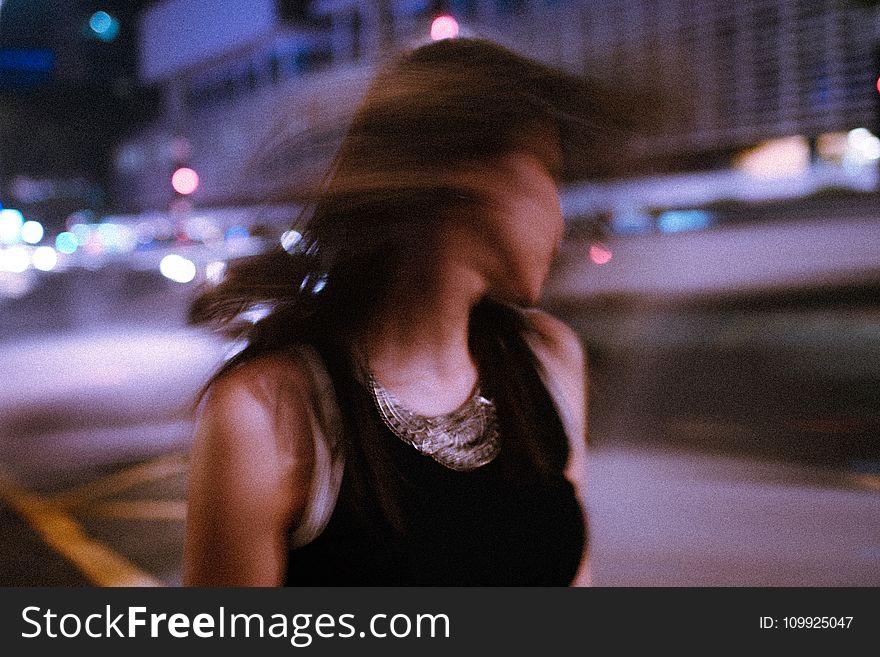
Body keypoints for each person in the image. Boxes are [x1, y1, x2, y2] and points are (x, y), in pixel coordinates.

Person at [182, 36, 629, 586]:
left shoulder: (549, 359)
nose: (559, 217)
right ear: (470, 173)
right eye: (549, 174)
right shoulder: (269, 413)